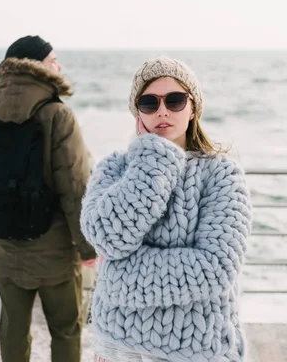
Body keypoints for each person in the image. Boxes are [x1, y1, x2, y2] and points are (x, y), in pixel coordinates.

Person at [80, 56, 252, 362]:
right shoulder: (114, 168)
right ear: (137, 112)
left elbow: (216, 268)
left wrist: (116, 277)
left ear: (193, 107)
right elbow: (107, 238)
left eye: (175, 100)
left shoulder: (222, 173)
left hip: (196, 351)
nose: (162, 111)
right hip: (117, 349)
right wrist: (153, 160)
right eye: (149, 103)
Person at [0, 35, 96, 362]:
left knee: (12, 331)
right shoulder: (57, 116)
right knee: (66, 329)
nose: (59, 66)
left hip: (5, 247)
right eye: (53, 61)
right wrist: (87, 247)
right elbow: (75, 189)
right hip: (54, 254)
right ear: (37, 67)